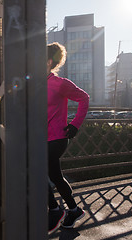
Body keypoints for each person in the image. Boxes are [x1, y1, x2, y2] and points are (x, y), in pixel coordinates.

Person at [47, 42, 90, 234]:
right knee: (54, 175)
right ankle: (73, 210)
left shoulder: (60, 83)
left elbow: (84, 98)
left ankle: (55, 210)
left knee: (37, 172)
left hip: (57, 137)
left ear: (48, 62)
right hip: (40, 138)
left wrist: (75, 124)